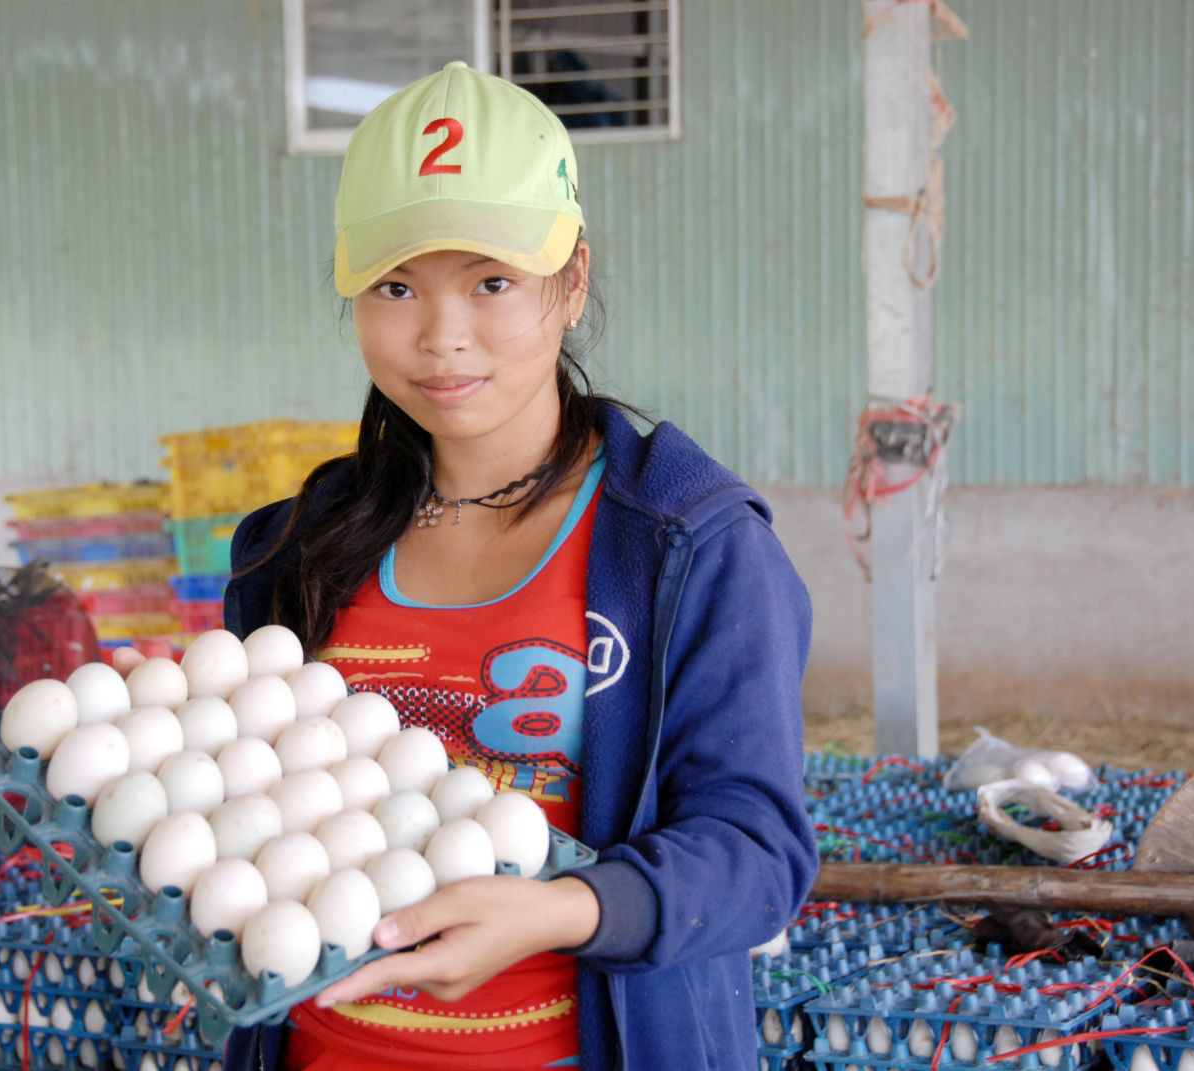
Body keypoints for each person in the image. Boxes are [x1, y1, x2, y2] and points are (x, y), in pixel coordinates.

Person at [222, 61, 817, 1071]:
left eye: (490, 281)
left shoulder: (686, 545)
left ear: (571, 279)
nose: (441, 338)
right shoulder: (296, 550)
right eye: (396, 286)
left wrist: (568, 910)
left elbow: (758, 853)